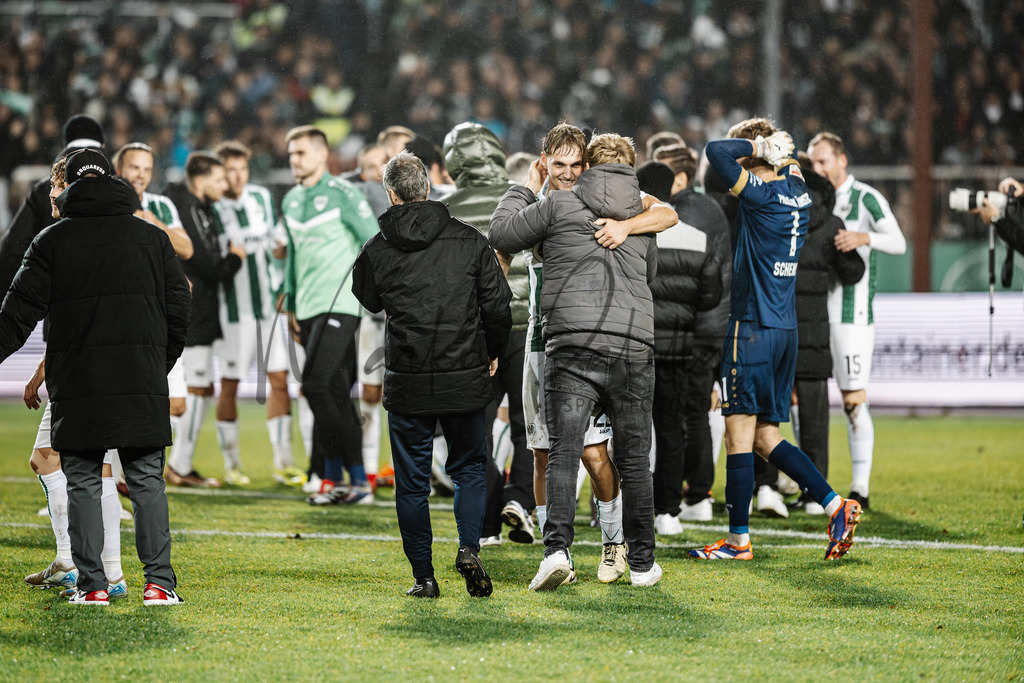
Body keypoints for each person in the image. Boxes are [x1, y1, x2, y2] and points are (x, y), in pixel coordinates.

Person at [0, 148, 190, 605]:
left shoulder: (51, 241)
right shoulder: (152, 238)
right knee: (146, 481)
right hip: (140, 382)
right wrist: (153, 367)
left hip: (79, 383)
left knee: (83, 480)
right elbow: (180, 311)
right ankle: (159, 585)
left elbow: (15, 317)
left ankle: (93, 588)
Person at [492, 123, 675, 586]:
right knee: (622, 457)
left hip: (567, 343)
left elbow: (501, 233)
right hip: (628, 345)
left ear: (590, 166)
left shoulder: (557, 205)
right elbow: (651, 267)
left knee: (570, 454)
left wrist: (526, 189)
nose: (571, 173)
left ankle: (571, 550)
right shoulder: (639, 210)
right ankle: (634, 560)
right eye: (562, 165)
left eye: (579, 165)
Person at [688, 118, 862, 562]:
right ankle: (834, 504)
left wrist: (752, 144)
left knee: (738, 435)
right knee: (765, 435)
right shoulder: (799, 193)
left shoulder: (761, 198)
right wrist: (773, 152)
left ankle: (738, 541)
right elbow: (788, 168)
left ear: (755, 158)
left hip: (751, 328)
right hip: (785, 331)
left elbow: (715, 152)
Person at [352, 152, 512, 598]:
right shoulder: (469, 240)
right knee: (469, 469)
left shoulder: (376, 247)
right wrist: (493, 351)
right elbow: (497, 306)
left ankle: (424, 577)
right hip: (464, 373)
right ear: (427, 188)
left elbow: (367, 299)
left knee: (412, 484)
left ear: (391, 193)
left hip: (408, 379)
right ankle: (468, 546)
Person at [19, 156, 127, 598]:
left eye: (54, 186)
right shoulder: (111, 231)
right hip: (97, 366)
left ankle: (105, 572)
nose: (49, 195)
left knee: (82, 467)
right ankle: (75, 562)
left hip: (89, 371)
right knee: (65, 463)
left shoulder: (67, 238)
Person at [440, 122, 531, 545]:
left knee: (474, 429)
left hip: (476, 330)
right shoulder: (523, 197)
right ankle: (521, 498)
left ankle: (489, 518)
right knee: (528, 425)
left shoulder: (445, 206)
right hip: (528, 324)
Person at [808, 132, 908, 510]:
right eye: (813, 163)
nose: (818, 169)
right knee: (805, 398)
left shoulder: (865, 197)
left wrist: (862, 236)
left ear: (842, 159)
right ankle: (808, 487)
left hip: (853, 315)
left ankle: (860, 488)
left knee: (852, 401)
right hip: (815, 313)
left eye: (824, 161)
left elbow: (898, 242)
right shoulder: (812, 199)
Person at [281, 125, 378, 504]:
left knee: (315, 385)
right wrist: (289, 300)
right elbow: (292, 253)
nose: (294, 160)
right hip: (305, 306)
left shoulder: (343, 194)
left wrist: (368, 295)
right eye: (291, 154)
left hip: (340, 304)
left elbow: (371, 242)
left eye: (301, 153)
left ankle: (355, 476)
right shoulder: (290, 200)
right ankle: (342, 481)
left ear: (322, 155)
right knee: (335, 393)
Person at [634, 160, 723, 536]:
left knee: (632, 432)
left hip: (637, 346)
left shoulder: (633, 235)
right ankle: (668, 511)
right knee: (671, 429)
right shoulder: (697, 239)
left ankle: (627, 508)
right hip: (679, 349)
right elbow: (711, 296)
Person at [211, 140, 302, 486]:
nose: (237, 176)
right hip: (234, 314)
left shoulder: (261, 199)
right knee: (230, 385)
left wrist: (280, 257)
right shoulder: (214, 209)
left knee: (280, 380)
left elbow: (276, 245)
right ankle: (232, 464)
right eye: (230, 170)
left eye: (242, 169)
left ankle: (284, 462)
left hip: (267, 310)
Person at [652, 142, 734, 523]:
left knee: (687, 414)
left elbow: (692, 277)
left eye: (664, 173)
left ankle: (697, 492)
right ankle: (696, 494)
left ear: (680, 178)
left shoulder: (686, 214)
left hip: (695, 327)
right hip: (705, 324)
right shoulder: (708, 209)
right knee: (692, 413)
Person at [789, 156, 866, 515]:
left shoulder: (781, 214)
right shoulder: (831, 224)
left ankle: (765, 488)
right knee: (816, 420)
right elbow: (853, 272)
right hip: (815, 336)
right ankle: (815, 494)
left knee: (764, 418)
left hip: (777, 330)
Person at [164, 152, 245, 488]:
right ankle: (177, 467)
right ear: (201, 178)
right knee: (191, 390)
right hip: (190, 312)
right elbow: (206, 262)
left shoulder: (204, 207)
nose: (224, 185)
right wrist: (234, 261)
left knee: (198, 389)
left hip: (203, 311)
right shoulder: (184, 205)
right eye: (218, 178)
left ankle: (179, 464)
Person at [112, 142, 194, 440]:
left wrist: (154, 223)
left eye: (147, 169)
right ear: (119, 169)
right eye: (134, 167)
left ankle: (129, 474)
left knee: (177, 404)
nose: (141, 175)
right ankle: (122, 478)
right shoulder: (108, 208)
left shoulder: (160, 206)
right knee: (130, 399)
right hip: (126, 316)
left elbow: (186, 248)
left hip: (161, 316)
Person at [0, 115, 107, 296]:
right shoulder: (119, 186)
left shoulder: (45, 187)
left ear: (66, 142)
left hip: (57, 297)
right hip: (106, 296)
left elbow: (13, 250)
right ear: (102, 145)